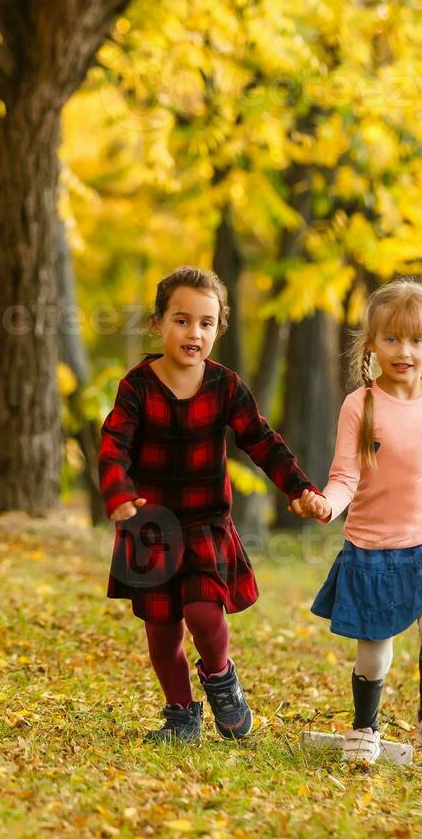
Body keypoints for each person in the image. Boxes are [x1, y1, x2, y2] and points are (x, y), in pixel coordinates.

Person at [99, 266, 321, 744]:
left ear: (218, 329)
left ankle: (221, 680)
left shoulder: (225, 386)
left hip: (205, 525)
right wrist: (117, 493)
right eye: (181, 320)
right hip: (150, 526)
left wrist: (300, 488)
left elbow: (261, 442)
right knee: (161, 632)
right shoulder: (137, 386)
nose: (193, 332)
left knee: (203, 612)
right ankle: (181, 716)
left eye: (205, 323)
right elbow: (114, 442)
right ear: (158, 324)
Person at [292, 278, 422, 765]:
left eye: (417, 340)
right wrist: (326, 504)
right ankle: (364, 729)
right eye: (391, 339)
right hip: (372, 546)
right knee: (374, 654)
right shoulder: (361, 405)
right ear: (370, 344)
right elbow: (345, 476)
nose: (404, 351)